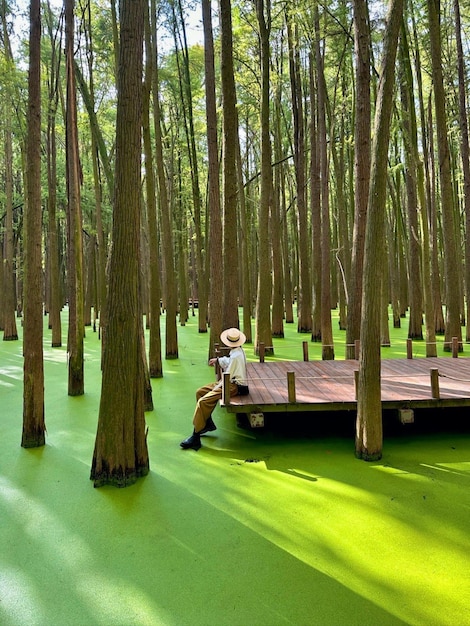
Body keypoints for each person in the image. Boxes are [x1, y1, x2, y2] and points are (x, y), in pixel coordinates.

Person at [180, 327, 248, 450]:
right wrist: (217, 360)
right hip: (228, 382)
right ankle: (207, 424)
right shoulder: (237, 352)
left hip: (234, 386)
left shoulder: (237, 356)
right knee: (200, 392)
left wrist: (215, 388)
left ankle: (195, 436)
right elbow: (229, 361)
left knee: (203, 401)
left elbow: (228, 376)